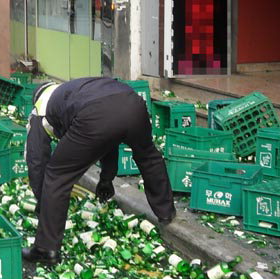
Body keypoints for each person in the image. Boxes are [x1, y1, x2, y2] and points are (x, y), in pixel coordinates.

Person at [23, 77, 176, 265]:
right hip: (132, 103)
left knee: (56, 176)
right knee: (148, 156)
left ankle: (46, 249)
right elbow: (105, 138)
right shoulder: (73, 90)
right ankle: (166, 211)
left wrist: (44, 202)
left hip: (96, 112)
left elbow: (37, 161)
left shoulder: (40, 110)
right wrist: (106, 179)